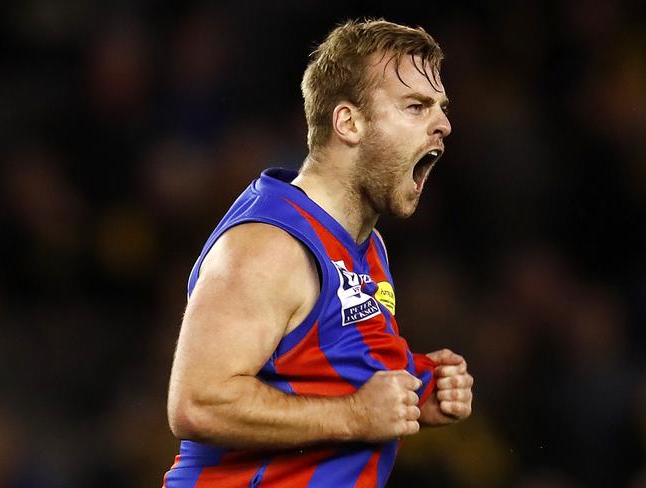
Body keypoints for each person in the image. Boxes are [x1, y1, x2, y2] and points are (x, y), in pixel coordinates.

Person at [163, 18, 473, 488]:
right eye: (415, 106)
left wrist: (419, 388)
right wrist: (354, 415)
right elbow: (197, 403)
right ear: (348, 122)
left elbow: (319, 364)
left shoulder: (363, 243)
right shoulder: (269, 245)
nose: (444, 124)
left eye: (441, 108)